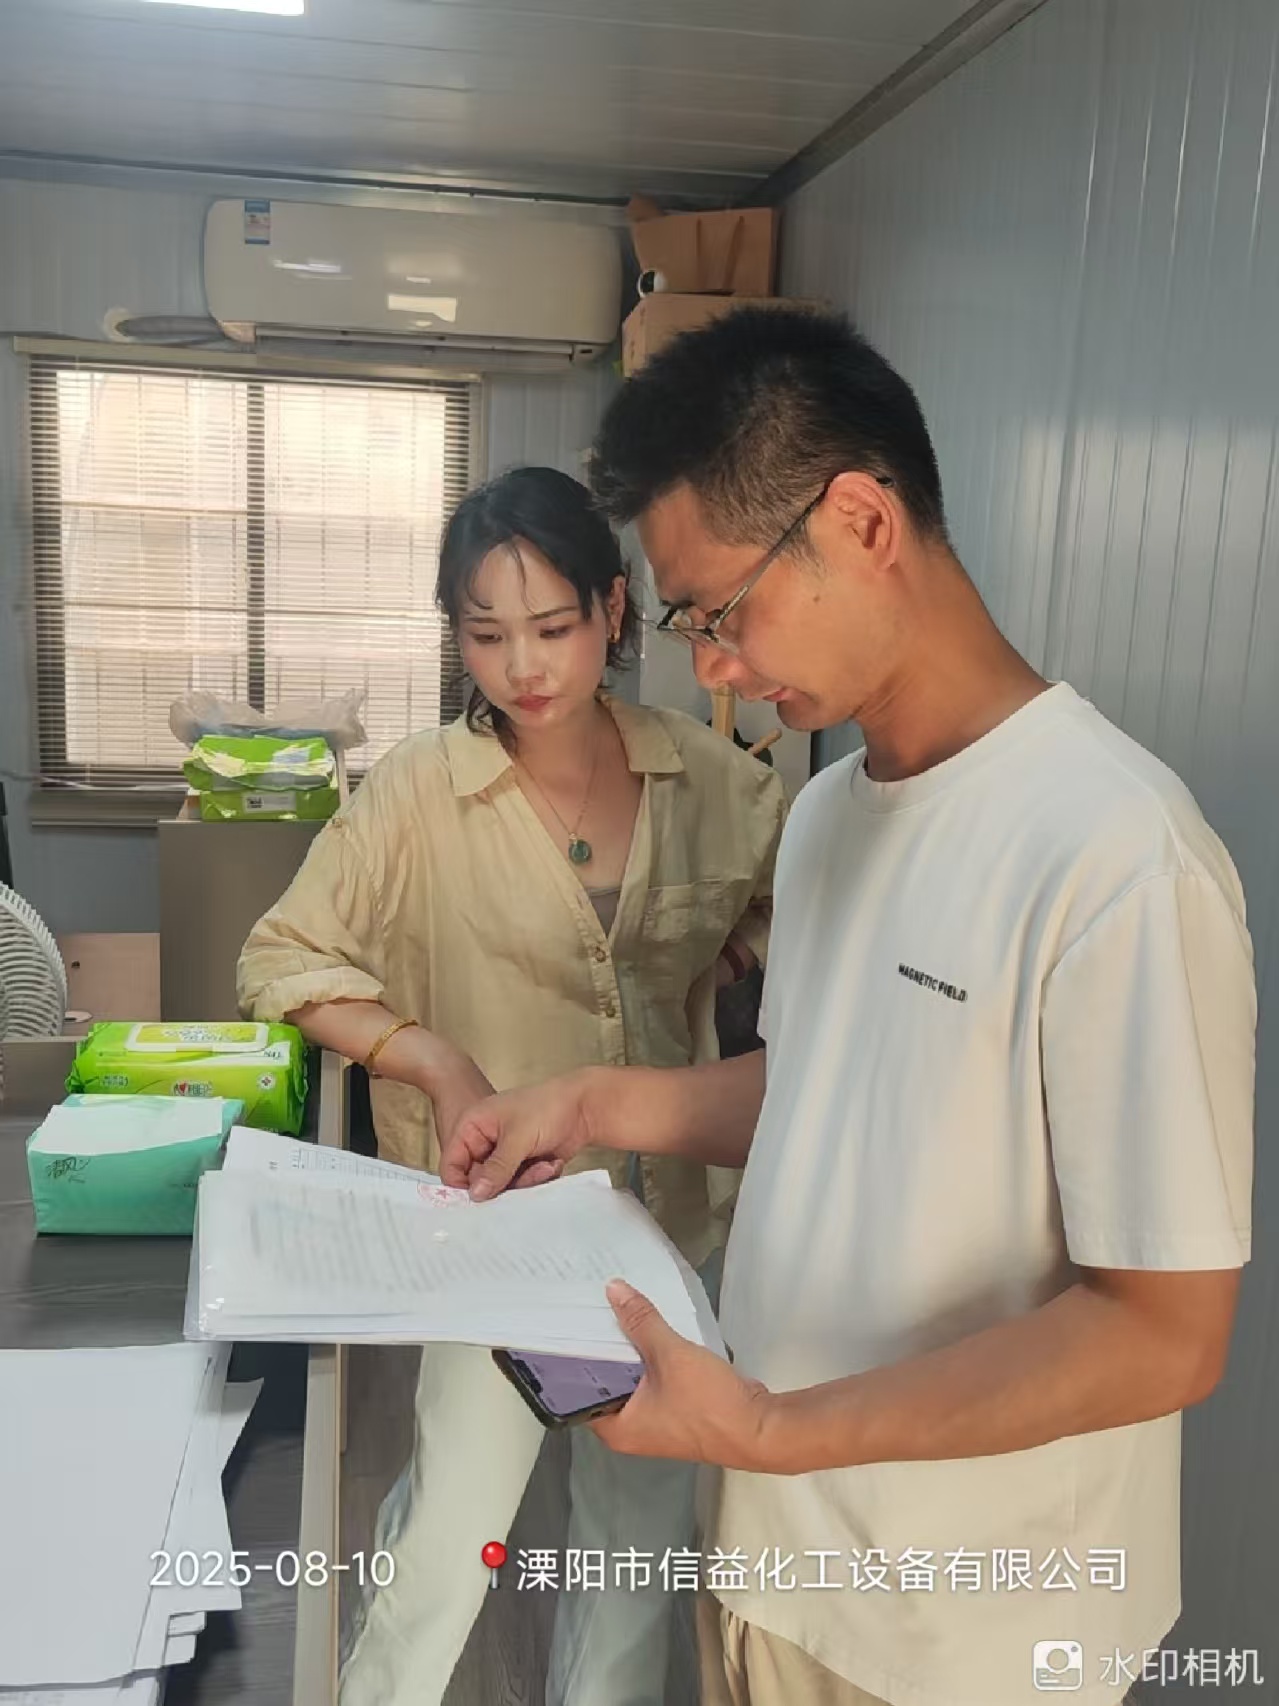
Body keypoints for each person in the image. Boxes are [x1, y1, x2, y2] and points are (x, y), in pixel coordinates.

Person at [441, 311, 1257, 1706]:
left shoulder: (1117, 854)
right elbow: (829, 1091)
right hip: (767, 1565)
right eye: (690, 624)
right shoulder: (824, 816)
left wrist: (769, 1424)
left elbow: (1161, 1329)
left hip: (961, 1638)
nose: (710, 665)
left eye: (721, 611)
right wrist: (591, 1100)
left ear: (863, 523)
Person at [237, 464, 786, 1706]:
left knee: (634, 1553)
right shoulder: (416, 793)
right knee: (449, 1542)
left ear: (612, 609)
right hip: (495, 1232)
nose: (524, 667)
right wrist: (431, 1055)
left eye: (552, 627)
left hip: (665, 1232)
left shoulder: (718, 784)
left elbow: (790, 912)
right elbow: (281, 957)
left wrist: (735, 948)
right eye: (487, 635)